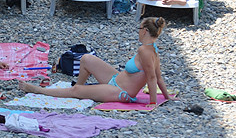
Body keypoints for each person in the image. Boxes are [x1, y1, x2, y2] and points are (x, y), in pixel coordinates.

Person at [19, 17, 173, 105]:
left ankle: (38, 90)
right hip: (115, 80)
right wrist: (166, 97)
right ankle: (78, 90)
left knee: (76, 91)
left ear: (145, 31)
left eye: (139, 29)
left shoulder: (145, 51)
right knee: (86, 59)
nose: (138, 32)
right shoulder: (153, 50)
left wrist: (152, 103)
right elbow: (158, 77)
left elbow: (153, 78)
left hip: (121, 91)